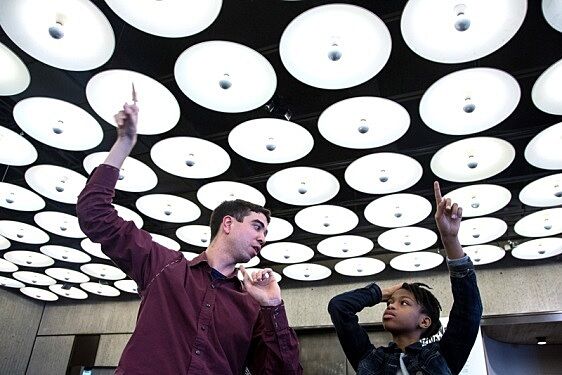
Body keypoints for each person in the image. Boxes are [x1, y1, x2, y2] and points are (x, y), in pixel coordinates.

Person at [76, 87, 303, 374]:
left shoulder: (253, 305)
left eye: (266, 233)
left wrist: (273, 307)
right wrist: (124, 142)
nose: (262, 237)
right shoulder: (164, 267)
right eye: (257, 226)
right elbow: (94, 213)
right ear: (228, 223)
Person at [328, 181, 483, 375]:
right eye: (390, 302)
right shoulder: (370, 359)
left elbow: (468, 309)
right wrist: (382, 293)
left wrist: (450, 240)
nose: (391, 306)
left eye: (404, 303)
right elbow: (339, 307)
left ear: (424, 321)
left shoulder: (441, 357)